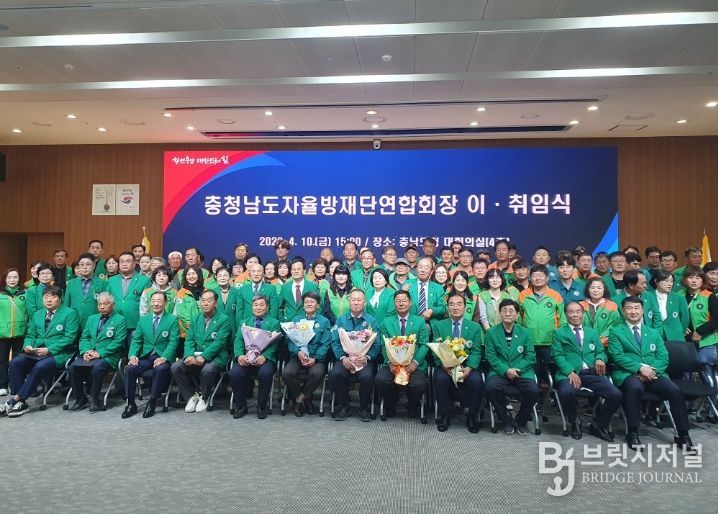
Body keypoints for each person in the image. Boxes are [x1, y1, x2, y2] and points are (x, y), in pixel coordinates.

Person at [608, 296, 696, 452]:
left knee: (674, 390)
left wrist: (652, 370)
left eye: (637, 308)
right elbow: (617, 356)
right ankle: (632, 432)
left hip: (654, 373)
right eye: (629, 308)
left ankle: (683, 434)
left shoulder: (653, 332)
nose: (633, 311)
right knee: (634, 388)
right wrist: (640, 369)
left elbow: (663, 357)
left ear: (642, 311)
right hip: (629, 373)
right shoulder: (616, 332)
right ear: (623, 311)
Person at [3, 286, 79, 417]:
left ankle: (14, 400)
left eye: (53, 297)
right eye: (46, 297)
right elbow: (30, 335)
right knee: (15, 362)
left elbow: (70, 338)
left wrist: (48, 349)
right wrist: (28, 346)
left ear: (60, 299)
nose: (49, 300)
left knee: (40, 366)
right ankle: (21, 402)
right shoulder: (37, 314)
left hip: (58, 354)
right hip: (36, 352)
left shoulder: (70, 313)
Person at [551, 302, 621, 441]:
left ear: (582, 314)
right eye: (571, 312)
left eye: (578, 311)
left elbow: (600, 351)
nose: (575, 315)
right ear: (566, 314)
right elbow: (557, 355)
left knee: (615, 394)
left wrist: (600, 359)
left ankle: (598, 424)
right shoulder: (558, 333)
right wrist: (570, 372)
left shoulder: (592, 332)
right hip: (569, 374)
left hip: (591, 373)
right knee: (566, 392)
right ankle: (574, 421)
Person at [484, 299, 539, 435]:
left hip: (522, 371)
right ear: (499, 313)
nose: (508, 313)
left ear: (517, 315)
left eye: (511, 311)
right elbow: (491, 357)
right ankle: (505, 418)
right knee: (490, 388)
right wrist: (506, 370)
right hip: (499, 371)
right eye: (504, 310)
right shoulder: (491, 333)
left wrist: (517, 369)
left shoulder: (525, 333)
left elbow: (530, 356)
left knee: (533, 391)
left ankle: (522, 419)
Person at [430, 293, 483, 433]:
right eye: (451, 304)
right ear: (447, 308)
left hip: (467, 366)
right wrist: (443, 365)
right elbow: (436, 348)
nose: (455, 307)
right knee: (440, 379)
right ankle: (444, 416)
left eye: (459, 304)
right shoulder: (439, 326)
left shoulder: (474, 327)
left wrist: (470, 367)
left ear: (465, 307)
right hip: (445, 365)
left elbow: (476, 351)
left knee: (476, 381)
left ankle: (472, 417)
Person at [171, 289, 231, 414]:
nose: (206, 303)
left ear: (216, 302)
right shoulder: (195, 318)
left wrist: (204, 356)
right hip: (195, 355)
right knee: (176, 367)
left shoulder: (224, 319)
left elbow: (219, 342)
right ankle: (191, 396)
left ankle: (204, 397)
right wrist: (188, 355)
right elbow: (189, 339)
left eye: (209, 300)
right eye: (203, 300)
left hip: (216, 356)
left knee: (207, 369)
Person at [122, 291, 179, 419]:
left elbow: (173, 342)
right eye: (153, 301)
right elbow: (136, 340)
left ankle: (152, 402)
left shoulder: (172, 320)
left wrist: (164, 358)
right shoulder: (143, 320)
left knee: (160, 369)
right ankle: (130, 404)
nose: (156, 304)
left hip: (162, 356)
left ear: (165, 303)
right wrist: (132, 356)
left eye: (159, 301)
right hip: (146, 356)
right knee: (130, 368)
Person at [67, 292, 127, 413]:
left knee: (97, 368)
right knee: (72, 367)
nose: (102, 306)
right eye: (100, 304)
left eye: (105, 304)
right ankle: (80, 399)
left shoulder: (120, 320)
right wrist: (86, 351)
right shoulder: (92, 318)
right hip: (89, 354)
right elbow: (84, 337)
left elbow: (118, 342)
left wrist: (99, 353)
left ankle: (95, 399)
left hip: (108, 356)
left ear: (113, 304)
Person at [376, 290, 429, 419]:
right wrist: (390, 362)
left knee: (418, 384)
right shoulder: (386, 322)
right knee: (381, 379)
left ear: (410, 303)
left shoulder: (419, 322)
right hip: (392, 364)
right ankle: (390, 405)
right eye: (398, 301)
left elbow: (424, 345)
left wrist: (415, 362)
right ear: (394, 303)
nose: (401, 303)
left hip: (414, 364)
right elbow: (383, 345)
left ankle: (412, 405)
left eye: (404, 301)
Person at [330, 288, 381, 421]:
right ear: (349, 302)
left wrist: (366, 357)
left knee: (367, 377)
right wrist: (342, 358)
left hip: (363, 360)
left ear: (364, 302)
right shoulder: (341, 320)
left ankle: (364, 408)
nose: (356, 302)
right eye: (353, 300)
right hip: (345, 358)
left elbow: (377, 344)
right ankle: (344, 406)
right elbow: (335, 341)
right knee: (336, 374)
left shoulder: (371, 321)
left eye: (359, 300)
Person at [230, 295, 281, 419]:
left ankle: (261, 406)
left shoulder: (274, 323)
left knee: (265, 373)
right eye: (255, 305)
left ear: (267, 307)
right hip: (246, 357)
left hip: (264, 359)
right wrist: (239, 355)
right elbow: (238, 340)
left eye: (261, 305)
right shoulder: (244, 322)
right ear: (252, 307)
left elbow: (274, 344)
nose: (258, 308)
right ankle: (241, 406)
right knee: (234, 373)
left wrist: (265, 357)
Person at [281, 291, 331, 417]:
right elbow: (290, 340)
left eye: (312, 301)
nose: (308, 304)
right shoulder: (297, 319)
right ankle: (306, 399)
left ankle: (299, 400)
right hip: (298, 356)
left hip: (315, 357)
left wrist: (315, 358)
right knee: (286, 373)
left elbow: (325, 344)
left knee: (317, 373)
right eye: (306, 302)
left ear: (318, 305)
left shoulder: (324, 321)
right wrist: (298, 352)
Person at [518, 265, 566, 386]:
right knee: (533, 374)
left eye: (541, 275)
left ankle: (552, 395)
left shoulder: (556, 296)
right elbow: (519, 319)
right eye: (535, 275)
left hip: (550, 342)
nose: (538, 278)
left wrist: (560, 340)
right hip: (529, 342)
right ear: (530, 278)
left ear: (547, 278)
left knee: (551, 373)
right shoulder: (523, 295)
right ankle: (536, 395)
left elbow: (562, 320)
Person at [107, 251, 151, 345]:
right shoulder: (112, 280)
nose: (124, 264)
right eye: (121, 261)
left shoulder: (144, 280)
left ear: (134, 264)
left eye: (127, 261)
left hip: (134, 323)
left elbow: (148, 303)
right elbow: (107, 300)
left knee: (133, 350)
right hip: (115, 322)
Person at [683, 267, 718, 370]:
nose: (694, 281)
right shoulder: (678, 295)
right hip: (684, 341)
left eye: (698, 278)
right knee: (687, 372)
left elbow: (716, 319)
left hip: (706, 340)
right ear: (685, 279)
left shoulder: (709, 296)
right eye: (691, 277)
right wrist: (681, 327)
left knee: (707, 372)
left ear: (702, 280)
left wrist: (699, 332)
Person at [0, 269, 28, 395]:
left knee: (18, 360)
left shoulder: (25, 293)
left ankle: (16, 384)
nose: (12, 280)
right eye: (9, 277)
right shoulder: (1, 294)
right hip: (2, 332)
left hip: (20, 332)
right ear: (5, 279)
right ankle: (2, 385)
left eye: (15, 277)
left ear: (19, 279)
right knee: (2, 360)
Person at [64, 253, 108, 329]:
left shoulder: (102, 283)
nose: (84, 267)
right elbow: (66, 304)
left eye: (88, 264)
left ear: (94, 265)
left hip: (94, 323)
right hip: (73, 322)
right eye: (81, 264)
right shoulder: (71, 283)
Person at [646, 270, 689, 341]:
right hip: (654, 335)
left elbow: (685, 318)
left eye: (671, 281)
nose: (670, 284)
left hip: (675, 336)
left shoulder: (679, 298)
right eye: (666, 281)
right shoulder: (648, 296)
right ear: (656, 281)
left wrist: (681, 331)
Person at [579, 277, 621, 346]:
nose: (595, 290)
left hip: (606, 345)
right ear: (588, 289)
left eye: (599, 288)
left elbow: (614, 325)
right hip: (584, 344)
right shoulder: (580, 306)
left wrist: (599, 341)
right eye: (592, 288)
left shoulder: (612, 306)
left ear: (604, 289)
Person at [407, 257, 446, 323]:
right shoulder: (407, 284)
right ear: (417, 269)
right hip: (410, 322)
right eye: (420, 267)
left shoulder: (438, 288)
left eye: (426, 268)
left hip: (430, 323)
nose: (423, 270)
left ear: (431, 271)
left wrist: (432, 310)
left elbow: (442, 308)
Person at [280, 257, 319, 322]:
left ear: (304, 271)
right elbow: (279, 307)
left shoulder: (313, 286)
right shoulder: (285, 287)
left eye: (299, 269)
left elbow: (319, 307)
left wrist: (313, 321)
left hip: (307, 323)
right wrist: (282, 320)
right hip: (288, 322)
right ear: (291, 271)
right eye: (294, 269)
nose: (296, 271)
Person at [173, 264, 204, 338]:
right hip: (186, 333)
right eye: (188, 274)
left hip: (203, 331)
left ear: (198, 275)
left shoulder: (205, 291)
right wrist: (194, 327)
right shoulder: (181, 292)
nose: (191, 276)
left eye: (194, 273)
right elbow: (181, 313)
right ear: (185, 277)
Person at [209, 267, 240, 335]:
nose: (222, 278)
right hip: (216, 329)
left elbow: (239, 314)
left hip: (233, 329)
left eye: (225, 275)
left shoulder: (237, 292)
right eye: (220, 276)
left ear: (230, 276)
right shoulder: (212, 293)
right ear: (216, 277)